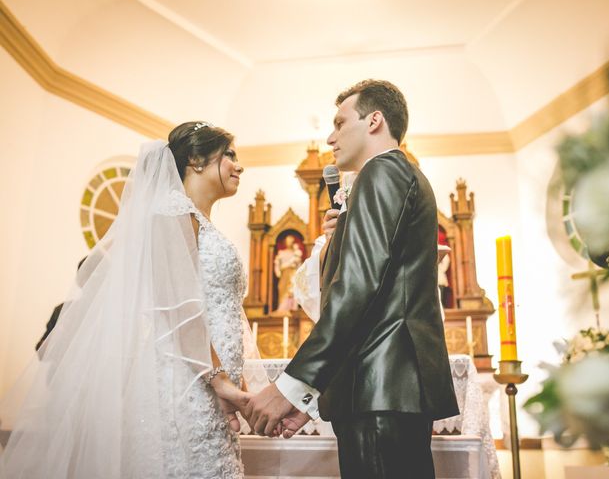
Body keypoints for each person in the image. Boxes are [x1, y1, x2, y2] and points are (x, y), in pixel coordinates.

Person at [0, 122, 258, 478]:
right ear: (196, 159)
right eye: (229, 154)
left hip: (208, 386)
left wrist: (233, 384)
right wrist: (220, 380)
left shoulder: (199, 222)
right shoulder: (171, 212)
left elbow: (219, 312)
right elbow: (178, 307)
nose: (238, 165)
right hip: (187, 385)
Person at [247, 80, 459, 479]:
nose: (330, 137)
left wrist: (290, 387)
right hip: (382, 389)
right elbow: (377, 289)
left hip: (380, 388)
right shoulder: (397, 175)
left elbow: (357, 288)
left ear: (375, 120)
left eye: (340, 123)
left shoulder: (381, 173)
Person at [273, 235, 303, 314]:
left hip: (293, 274)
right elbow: (277, 264)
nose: (289, 242)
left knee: (292, 291)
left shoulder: (296, 253)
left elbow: (299, 266)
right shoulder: (281, 253)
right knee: (282, 290)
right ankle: (282, 310)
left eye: (291, 240)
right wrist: (277, 272)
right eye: (287, 240)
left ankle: (293, 309)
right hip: (284, 275)